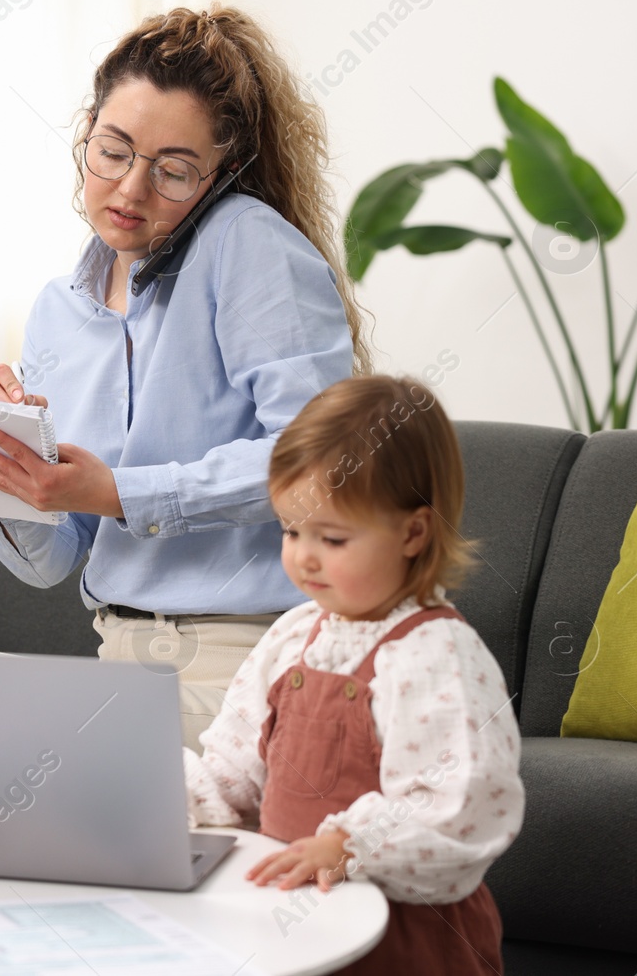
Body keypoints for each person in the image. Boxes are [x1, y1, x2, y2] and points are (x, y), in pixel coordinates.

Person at [0, 3, 372, 750]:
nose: (131, 190)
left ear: (221, 174)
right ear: (86, 131)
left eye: (174, 171)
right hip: (117, 659)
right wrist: (12, 470)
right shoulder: (60, 308)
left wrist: (114, 489)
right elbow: (55, 559)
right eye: (112, 152)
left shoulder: (248, 246)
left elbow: (318, 463)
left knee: (4, 740)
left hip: (250, 667)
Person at [186, 375, 521, 975]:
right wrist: (174, 798)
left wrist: (349, 845)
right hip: (299, 925)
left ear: (413, 533)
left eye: (331, 537)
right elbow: (234, 772)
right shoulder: (293, 635)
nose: (303, 556)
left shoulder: (438, 655)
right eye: (290, 530)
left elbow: (461, 809)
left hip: (404, 943)